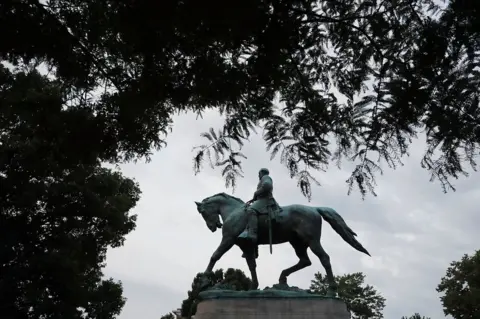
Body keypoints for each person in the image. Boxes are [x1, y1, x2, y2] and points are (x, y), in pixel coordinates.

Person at [244, 168, 280, 244]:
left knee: (250, 210)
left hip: (265, 200)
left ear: (262, 173)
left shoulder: (265, 177)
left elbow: (267, 185)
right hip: (262, 200)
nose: (258, 176)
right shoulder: (264, 178)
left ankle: (252, 233)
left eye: (259, 174)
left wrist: (256, 193)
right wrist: (254, 198)